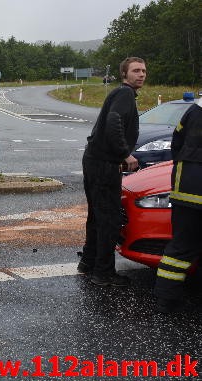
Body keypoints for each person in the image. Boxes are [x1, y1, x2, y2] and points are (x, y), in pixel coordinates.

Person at [78, 57, 146, 286]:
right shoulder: (124, 94)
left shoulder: (121, 94)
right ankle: (103, 273)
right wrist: (125, 154)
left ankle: (88, 263)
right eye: (136, 70)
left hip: (95, 161)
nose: (141, 74)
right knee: (110, 219)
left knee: (97, 216)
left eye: (144, 71)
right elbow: (114, 121)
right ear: (124, 75)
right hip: (104, 164)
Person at [153, 95, 202, 313]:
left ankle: (166, 300)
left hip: (185, 191)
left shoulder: (192, 111)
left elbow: (176, 144)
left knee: (180, 248)